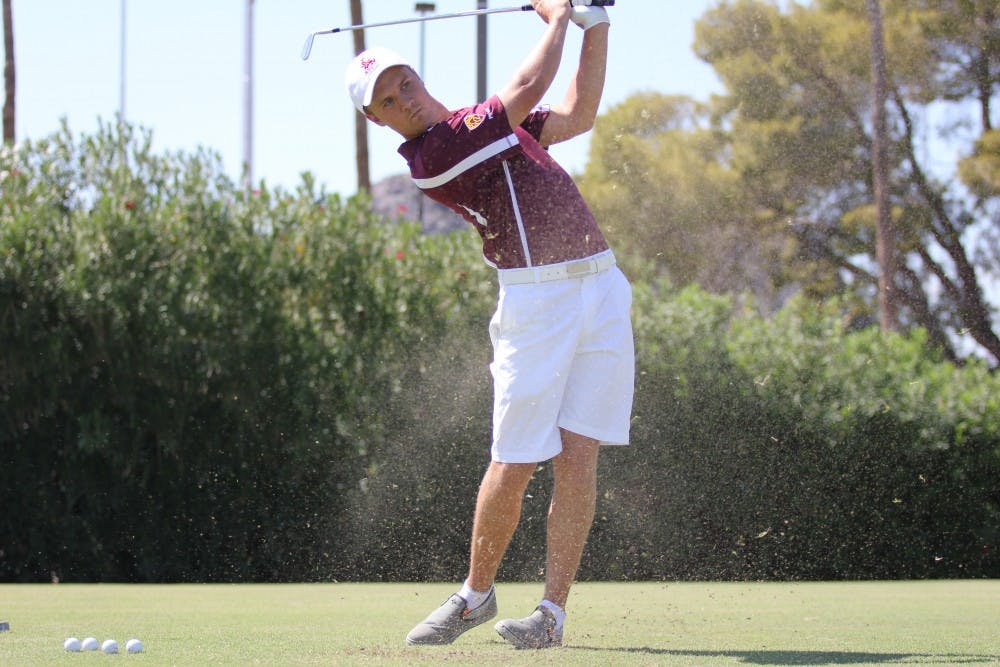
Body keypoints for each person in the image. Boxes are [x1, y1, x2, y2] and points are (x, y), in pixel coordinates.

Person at [343, 0, 632, 650]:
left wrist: (595, 23)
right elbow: (528, 84)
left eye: (404, 83)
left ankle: (552, 616)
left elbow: (578, 112)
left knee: (579, 457)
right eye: (388, 100)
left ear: (417, 76)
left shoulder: (494, 124)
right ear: (376, 118)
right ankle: (476, 593)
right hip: (535, 307)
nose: (405, 101)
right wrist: (556, 16)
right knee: (516, 459)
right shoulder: (434, 152)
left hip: (601, 287)